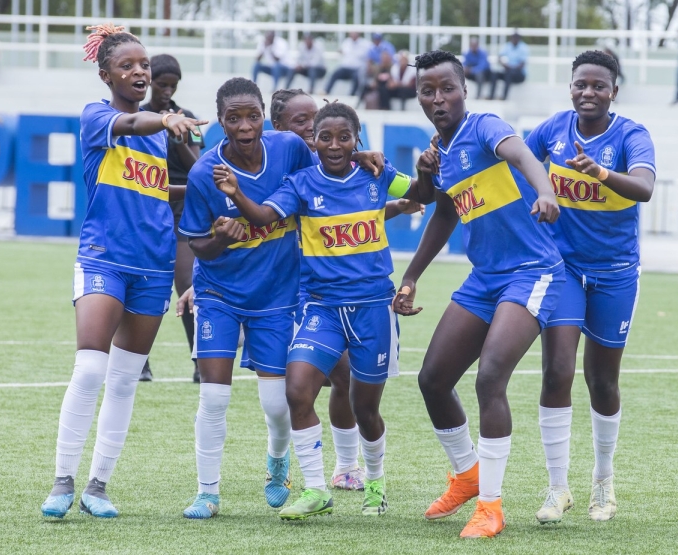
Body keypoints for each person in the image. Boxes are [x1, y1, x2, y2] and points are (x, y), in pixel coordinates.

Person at [213, 101, 414, 520]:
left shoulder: (378, 173)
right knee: (298, 389)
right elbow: (263, 216)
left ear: (357, 140)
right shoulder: (301, 183)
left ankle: (375, 484)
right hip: (322, 307)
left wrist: (422, 173)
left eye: (344, 138)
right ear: (314, 142)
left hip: (373, 308)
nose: (334, 145)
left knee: (365, 409)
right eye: (325, 137)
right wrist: (236, 193)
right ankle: (316, 490)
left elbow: (419, 193)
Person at [39, 23, 206, 520]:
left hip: (153, 266)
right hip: (104, 257)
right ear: (105, 74)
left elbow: (158, 190)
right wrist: (167, 119)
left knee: (126, 379)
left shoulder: (160, 136)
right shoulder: (98, 118)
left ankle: (98, 485)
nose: (139, 71)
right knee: (91, 368)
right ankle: (63, 479)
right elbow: (133, 124)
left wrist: (210, 191)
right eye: (127, 65)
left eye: (144, 65)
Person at [395, 50, 563, 539]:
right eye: (428, 91)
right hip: (485, 278)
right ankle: (466, 474)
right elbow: (444, 213)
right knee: (433, 379)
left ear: (464, 90)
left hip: (531, 272)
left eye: (447, 88)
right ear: (418, 97)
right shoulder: (438, 152)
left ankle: (491, 505)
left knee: (490, 377)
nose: (438, 98)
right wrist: (411, 276)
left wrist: (545, 190)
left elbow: (523, 156)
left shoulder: (485, 126)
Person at [266, 88, 422, 492]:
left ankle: (346, 466)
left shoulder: (351, 164)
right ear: (278, 126)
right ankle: (281, 458)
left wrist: (391, 195)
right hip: (300, 292)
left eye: (312, 118)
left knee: (343, 379)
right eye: (301, 121)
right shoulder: (278, 163)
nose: (309, 128)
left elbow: (351, 213)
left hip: (344, 294)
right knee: (296, 390)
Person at [175, 77, 317, 519]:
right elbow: (198, 245)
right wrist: (220, 238)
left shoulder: (289, 149)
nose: (244, 126)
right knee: (214, 397)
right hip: (218, 293)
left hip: (276, 295)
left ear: (264, 117)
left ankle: (278, 463)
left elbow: (326, 177)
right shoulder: (205, 173)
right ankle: (207, 493)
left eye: (252, 116)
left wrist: (366, 158)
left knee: (276, 405)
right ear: (220, 121)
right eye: (233, 118)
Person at [524, 50, 655, 525]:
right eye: (581, 83)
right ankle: (557, 488)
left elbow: (644, 188)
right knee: (557, 371)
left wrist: (599, 172)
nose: (588, 92)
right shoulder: (553, 129)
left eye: (599, 85)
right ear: (570, 87)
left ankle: (603, 480)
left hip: (616, 273)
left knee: (601, 380)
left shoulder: (632, 135)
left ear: (614, 91)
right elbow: (516, 161)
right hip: (563, 270)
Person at [140, 53, 203, 383]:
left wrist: (178, 140)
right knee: (141, 283)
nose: (167, 91)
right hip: (146, 204)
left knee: (186, 284)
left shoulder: (188, 118)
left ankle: (199, 362)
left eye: (173, 86)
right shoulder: (137, 117)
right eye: (162, 84)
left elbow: (198, 168)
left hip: (182, 206)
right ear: (150, 81)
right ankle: (139, 362)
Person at [325, 32, 372, 96]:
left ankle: (352, 95)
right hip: (345, 67)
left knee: (357, 77)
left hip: (357, 68)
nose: (353, 35)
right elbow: (341, 51)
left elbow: (369, 55)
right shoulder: (347, 42)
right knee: (335, 73)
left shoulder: (365, 44)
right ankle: (326, 91)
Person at [489, 32, 530, 101]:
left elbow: (522, 64)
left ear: (519, 39)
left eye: (516, 39)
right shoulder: (508, 46)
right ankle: (491, 96)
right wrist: (504, 64)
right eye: (513, 39)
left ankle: (504, 97)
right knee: (495, 74)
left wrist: (510, 68)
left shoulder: (523, 48)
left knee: (509, 74)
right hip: (508, 70)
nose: (514, 40)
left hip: (519, 74)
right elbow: (499, 57)